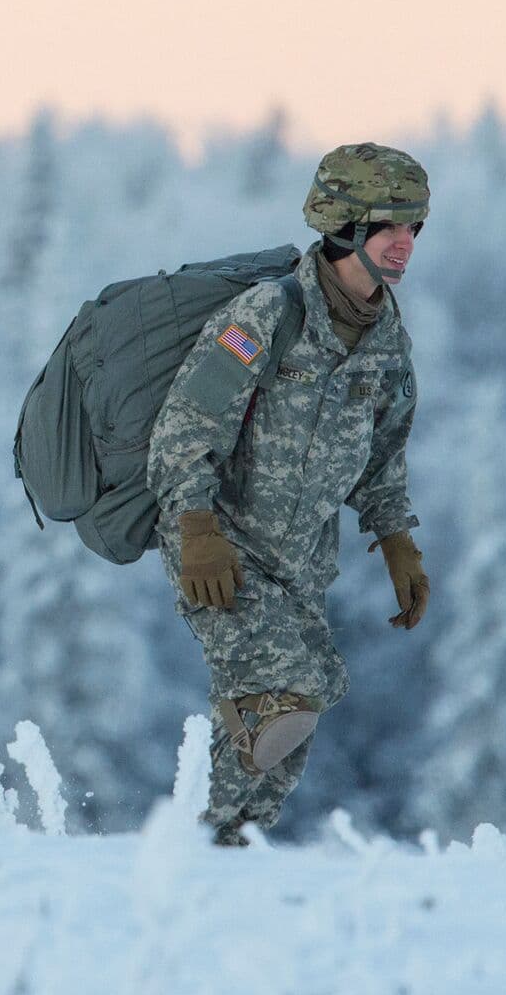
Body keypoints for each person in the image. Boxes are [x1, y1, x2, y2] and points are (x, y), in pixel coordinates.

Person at [148, 144, 432, 845]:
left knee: (290, 724)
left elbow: (384, 453)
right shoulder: (269, 314)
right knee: (282, 701)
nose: (404, 243)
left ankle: (220, 845)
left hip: (302, 560)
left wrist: (396, 538)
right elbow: (185, 428)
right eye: (388, 226)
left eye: (414, 227)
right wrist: (197, 530)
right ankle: (193, 844)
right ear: (344, 228)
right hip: (223, 544)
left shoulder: (387, 340)